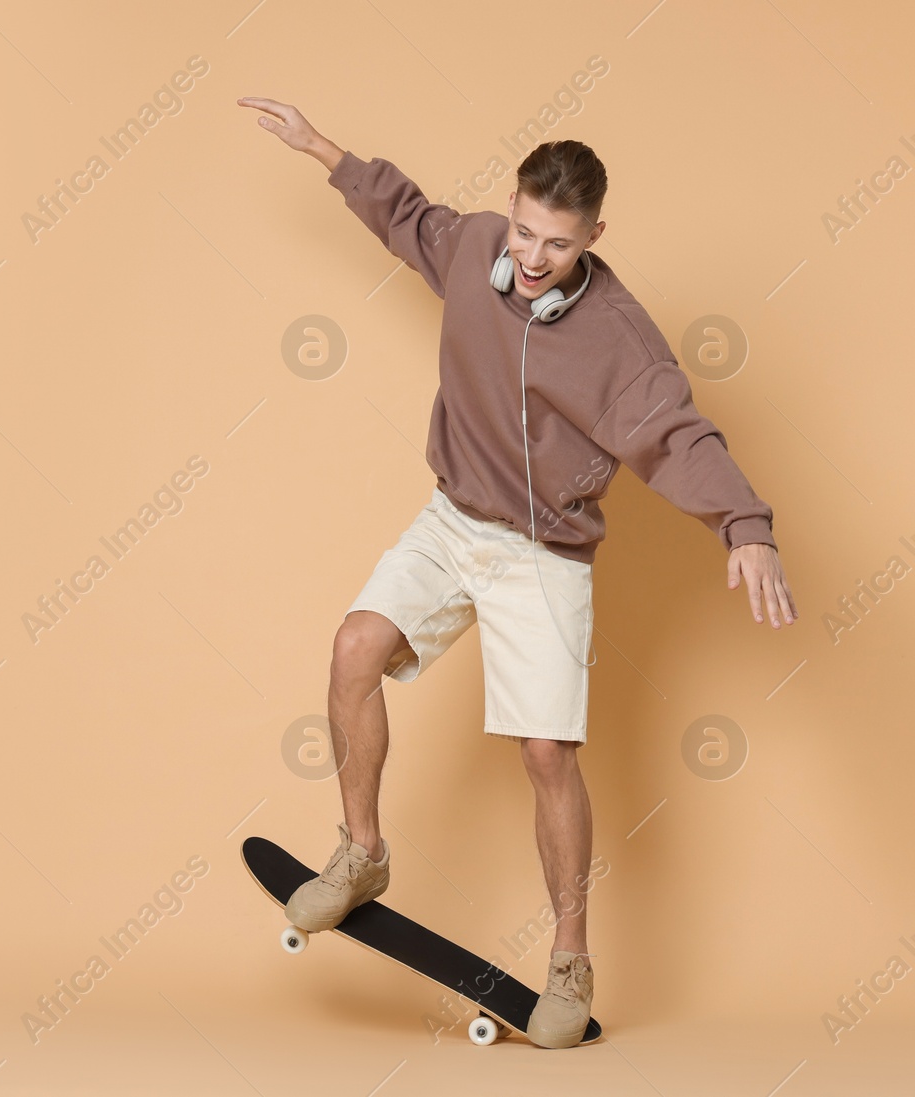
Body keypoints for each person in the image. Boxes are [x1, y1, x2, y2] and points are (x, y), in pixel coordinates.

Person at [238, 96, 799, 1049]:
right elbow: (406, 217)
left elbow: (676, 433)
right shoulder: (474, 249)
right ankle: (362, 852)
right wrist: (322, 148)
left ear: (595, 238)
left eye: (559, 245)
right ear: (513, 209)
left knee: (547, 756)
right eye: (527, 233)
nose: (534, 258)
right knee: (353, 649)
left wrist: (745, 525)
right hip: (451, 519)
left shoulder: (619, 337)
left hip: (544, 553)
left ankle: (571, 955)